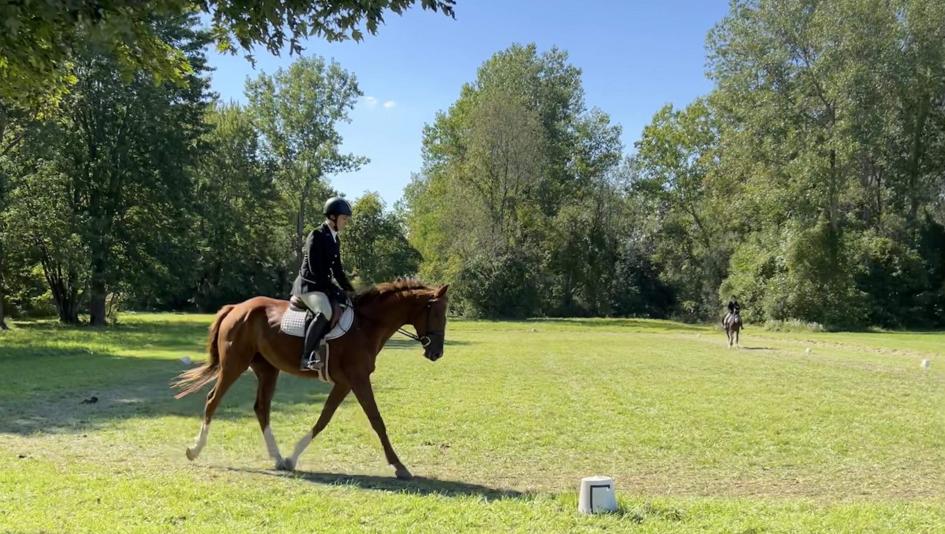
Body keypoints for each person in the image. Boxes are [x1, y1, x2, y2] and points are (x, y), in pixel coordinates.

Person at [292, 196, 355, 372]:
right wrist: (333, 289)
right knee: (325, 311)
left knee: (346, 304)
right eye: (344, 219)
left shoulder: (335, 240)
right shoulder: (316, 235)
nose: (345, 223)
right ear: (332, 217)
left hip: (322, 286)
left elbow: (338, 271)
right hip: (308, 285)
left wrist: (350, 291)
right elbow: (315, 269)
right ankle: (306, 357)